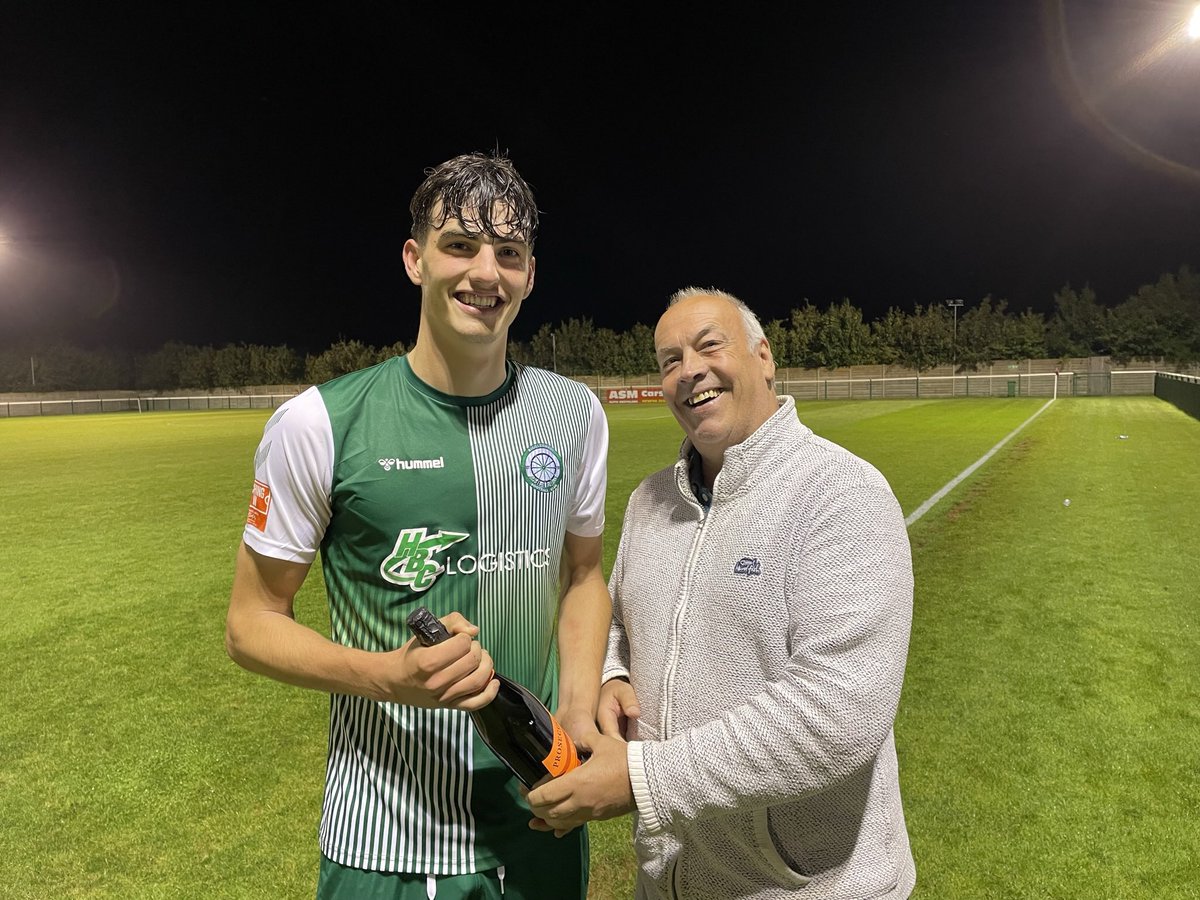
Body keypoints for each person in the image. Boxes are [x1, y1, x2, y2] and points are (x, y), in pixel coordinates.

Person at [225, 150, 611, 900]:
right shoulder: (319, 423)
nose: (485, 273)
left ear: (531, 274)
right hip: (390, 842)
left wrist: (577, 706)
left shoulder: (574, 415)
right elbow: (251, 623)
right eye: (459, 246)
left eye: (508, 253)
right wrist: (389, 679)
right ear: (415, 259)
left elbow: (584, 577)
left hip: (545, 822)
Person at [527, 287, 916, 899]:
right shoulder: (649, 502)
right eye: (669, 360)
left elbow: (839, 716)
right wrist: (611, 675)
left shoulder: (841, 493)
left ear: (764, 356)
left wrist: (641, 781)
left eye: (710, 345)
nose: (690, 371)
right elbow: (622, 621)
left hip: (802, 888)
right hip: (667, 883)